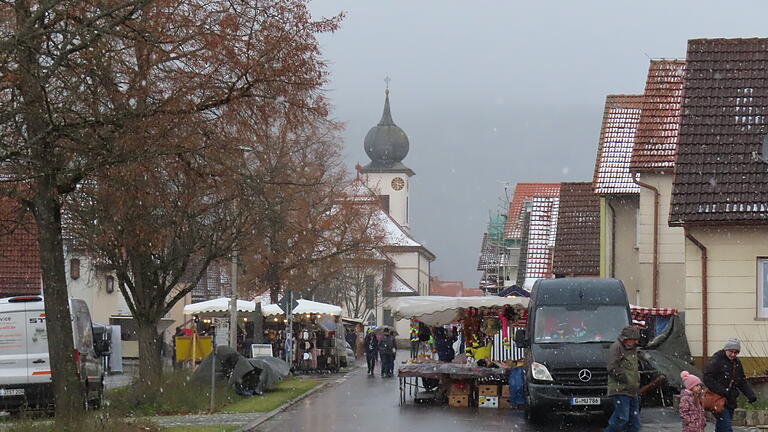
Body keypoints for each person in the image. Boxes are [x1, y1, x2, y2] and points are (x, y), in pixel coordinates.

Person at [703, 338, 757, 432]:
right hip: (718, 399)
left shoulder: (736, 363)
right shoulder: (717, 360)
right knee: (726, 428)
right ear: (726, 349)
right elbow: (707, 378)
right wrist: (723, 391)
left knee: (722, 427)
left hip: (730, 399)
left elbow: (741, 381)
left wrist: (750, 395)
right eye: (731, 351)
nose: (733, 354)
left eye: (736, 352)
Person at [604, 325, 641, 432]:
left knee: (635, 422)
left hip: (632, 390)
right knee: (622, 418)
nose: (636, 342)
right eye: (634, 340)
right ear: (627, 339)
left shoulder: (633, 349)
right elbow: (612, 367)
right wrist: (626, 379)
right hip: (620, 389)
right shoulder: (616, 347)